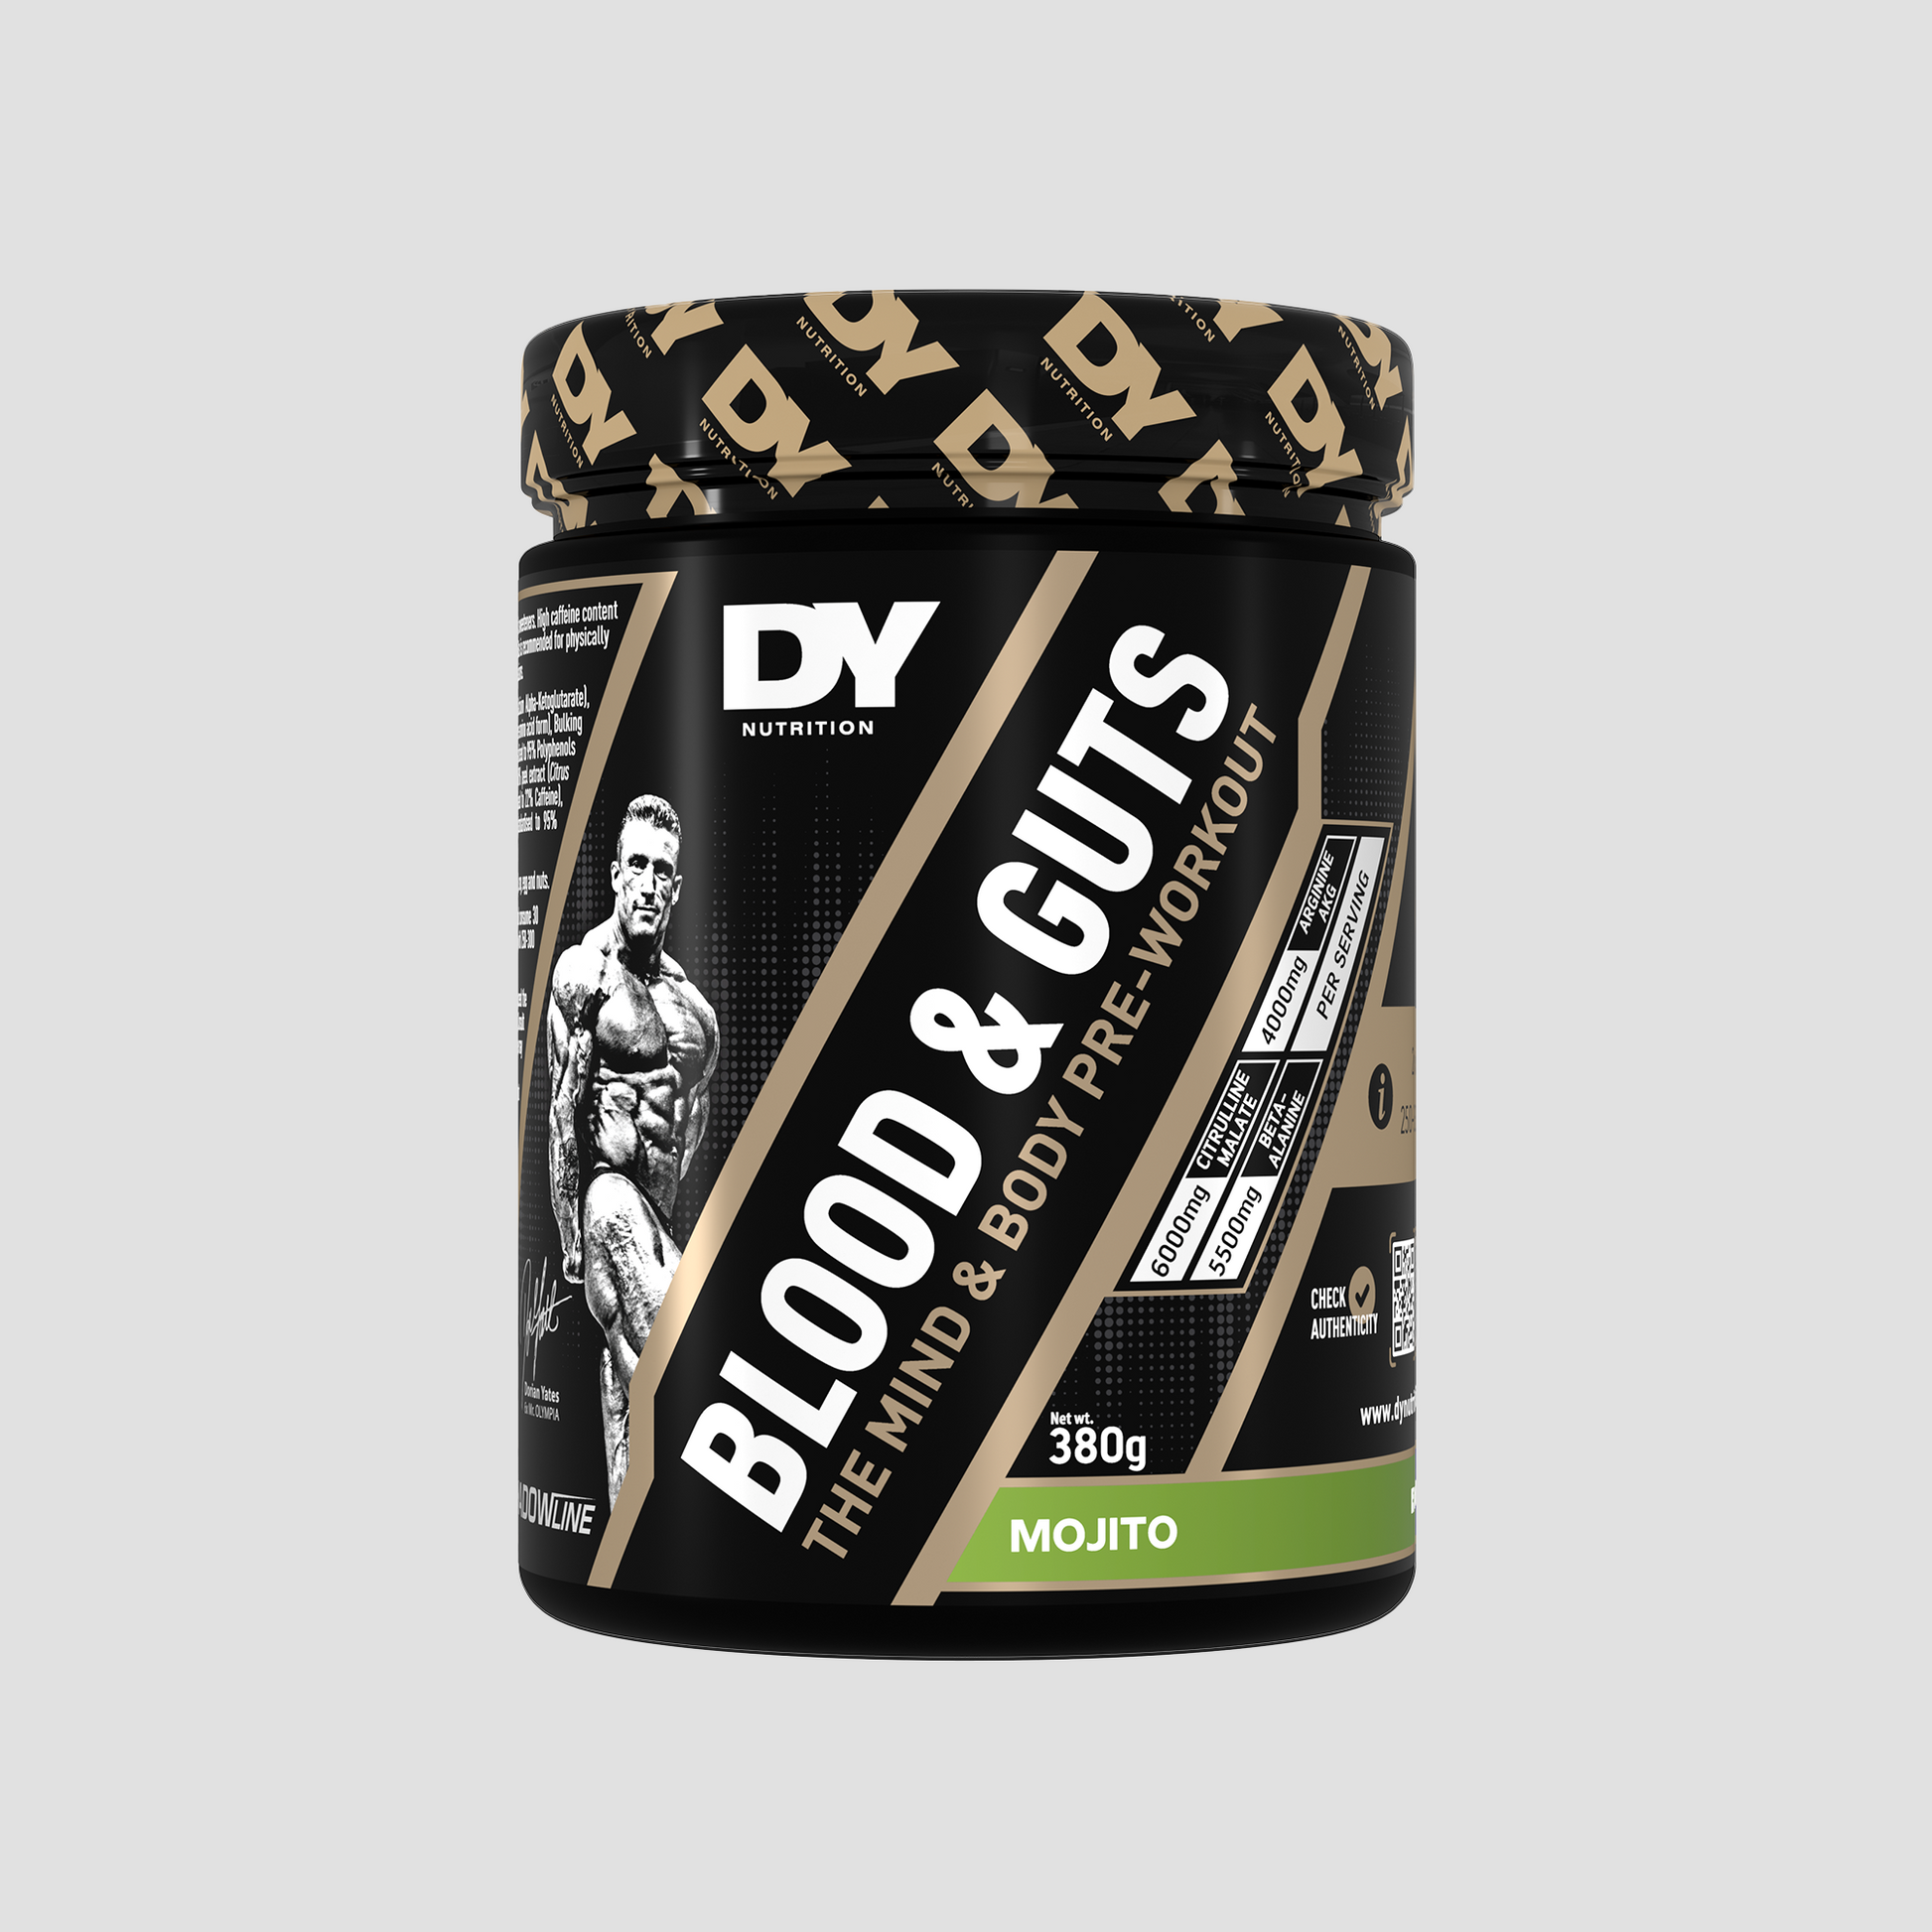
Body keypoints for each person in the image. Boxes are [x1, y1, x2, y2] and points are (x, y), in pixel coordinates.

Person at [547, 795, 718, 1506]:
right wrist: (571, 1235)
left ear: (677, 887)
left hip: (658, 1220)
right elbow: (563, 1108)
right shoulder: (583, 975)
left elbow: (690, 1128)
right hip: (607, 1202)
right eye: (637, 866)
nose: (648, 883)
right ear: (615, 874)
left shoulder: (697, 1014)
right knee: (680, 1361)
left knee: (629, 1400)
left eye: (663, 871)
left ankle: (636, 1547)